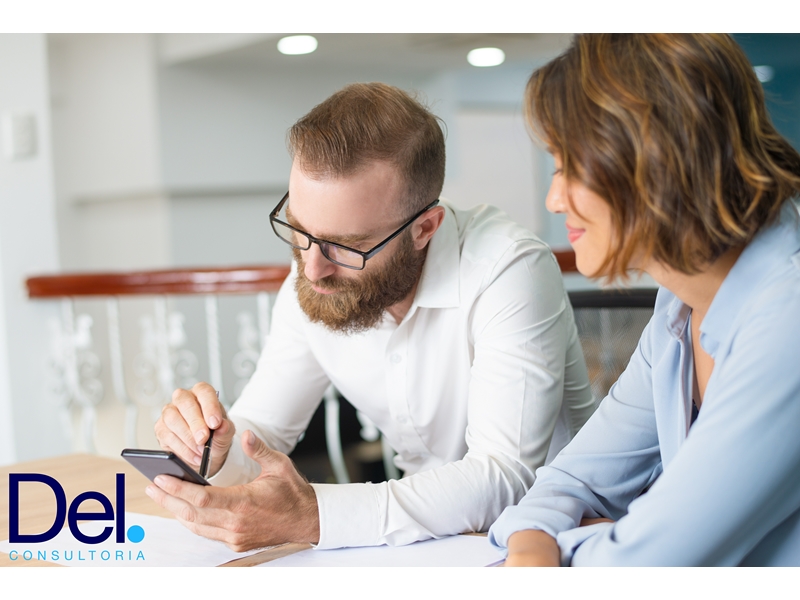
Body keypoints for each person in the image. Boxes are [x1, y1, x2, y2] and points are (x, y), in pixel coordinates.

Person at [147, 82, 595, 551]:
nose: (313, 269)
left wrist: (315, 517)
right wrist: (215, 448)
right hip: (425, 547)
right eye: (299, 230)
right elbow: (262, 431)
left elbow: (505, 476)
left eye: (346, 246)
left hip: (557, 540)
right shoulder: (316, 273)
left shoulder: (509, 267)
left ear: (424, 229)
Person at [489, 34, 800, 566]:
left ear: (653, 159)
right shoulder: (677, 306)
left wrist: (568, 543)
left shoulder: (787, 316)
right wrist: (536, 541)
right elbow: (570, 480)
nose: (554, 198)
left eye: (570, 167)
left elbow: (644, 564)